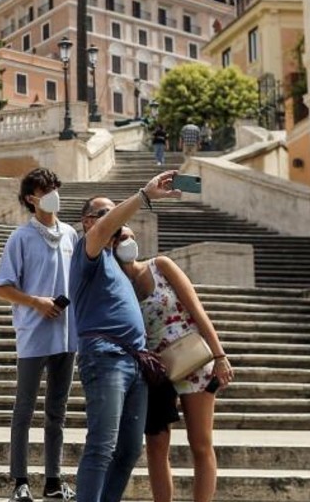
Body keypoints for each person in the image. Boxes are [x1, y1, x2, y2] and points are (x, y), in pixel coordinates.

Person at [73, 171, 181, 502]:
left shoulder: (115, 263)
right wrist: (142, 197)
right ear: (88, 222)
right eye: (105, 213)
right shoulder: (87, 249)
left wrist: (126, 250)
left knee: (130, 449)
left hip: (136, 361)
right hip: (105, 356)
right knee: (102, 445)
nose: (113, 219)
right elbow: (105, 229)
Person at [113, 226, 233, 502]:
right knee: (156, 445)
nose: (129, 242)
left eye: (132, 236)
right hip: (155, 372)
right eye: (121, 238)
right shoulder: (116, 285)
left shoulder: (161, 266)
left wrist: (220, 355)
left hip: (194, 360)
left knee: (200, 442)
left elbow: (196, 308)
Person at [0, 168, 79, 502]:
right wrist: (35, 302)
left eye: (55, 186)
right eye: (46, 188)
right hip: (33, 332)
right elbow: (1, 286)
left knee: (57, 410)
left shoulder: (71, 234)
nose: (53, 192)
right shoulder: (21, 237)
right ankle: (19, 480)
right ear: (31, 197)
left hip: (67, 334)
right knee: (24, 408)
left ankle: (54, 480)